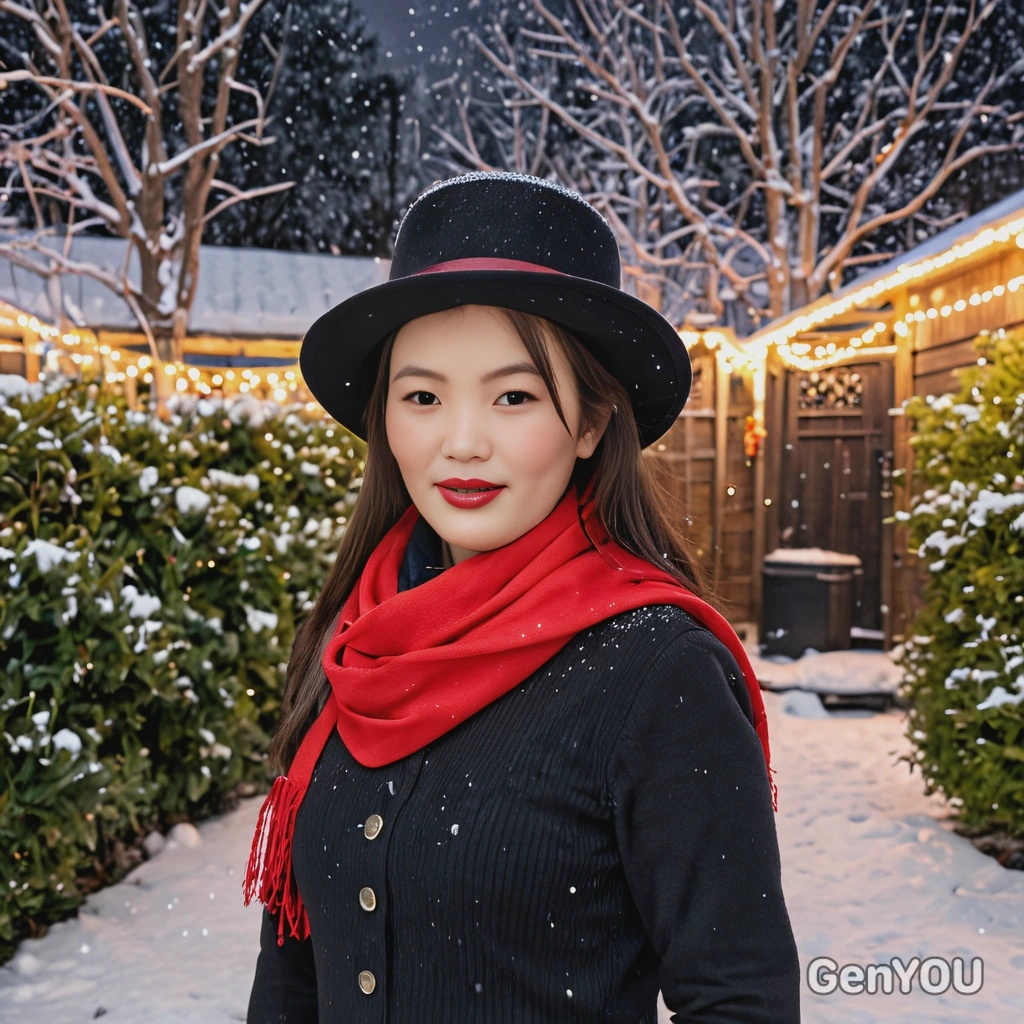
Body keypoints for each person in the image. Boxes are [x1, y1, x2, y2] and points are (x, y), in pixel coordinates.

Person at [244, 171, 801, 1023]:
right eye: (423, 396)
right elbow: (292, 971)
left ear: (590, 423)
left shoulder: (660, 672)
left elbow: (739, 997)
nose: (463, 442)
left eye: (514, 396)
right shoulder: (353, 642)